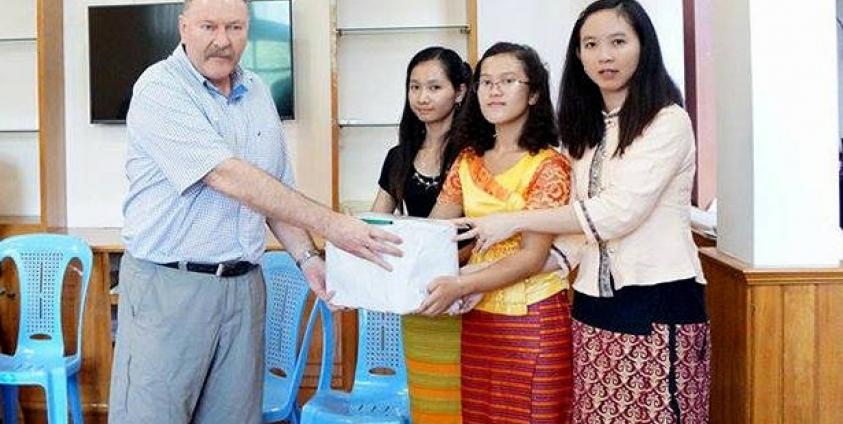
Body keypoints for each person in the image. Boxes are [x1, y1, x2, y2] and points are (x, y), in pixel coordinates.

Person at [109, 0, 401, 423]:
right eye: (209, 26)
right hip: (170, 288)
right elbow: (226, 176)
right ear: (183, 27)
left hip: (245, 289)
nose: (222, 41)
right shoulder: (160, 88)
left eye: (235, 27)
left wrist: (307, 258)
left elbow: (273, 189)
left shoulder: (258, 91)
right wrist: (334, 226)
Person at [454, 1, 711, 422]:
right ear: (578, 55)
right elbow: (575, 235)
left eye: (618, 42)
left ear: (643, 46)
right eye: (590, 44)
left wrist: (514, 220)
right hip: (591, 304)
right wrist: (483, 281)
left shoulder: (668, 120)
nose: (604, 56)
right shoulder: (588, 130)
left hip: (659, 300)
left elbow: (616, 213)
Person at [420, 42, 574, 424]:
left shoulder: (549, 164)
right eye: (486, 82)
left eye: (508, 81)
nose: (494, 90)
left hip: (533, 316)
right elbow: (436, 235)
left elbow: (530, 257)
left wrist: (459, 285)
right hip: (478, 315)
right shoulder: (468, 159)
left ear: (534, 92)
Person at [371, 46, 470, 424]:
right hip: (417, 298)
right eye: (415, 87)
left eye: (434, 87)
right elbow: (377, 221)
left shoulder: (475, 153)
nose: (422, 97)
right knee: (427, 405)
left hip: (466, 293)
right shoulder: (399, 155)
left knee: (464, 405)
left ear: (459, 91)